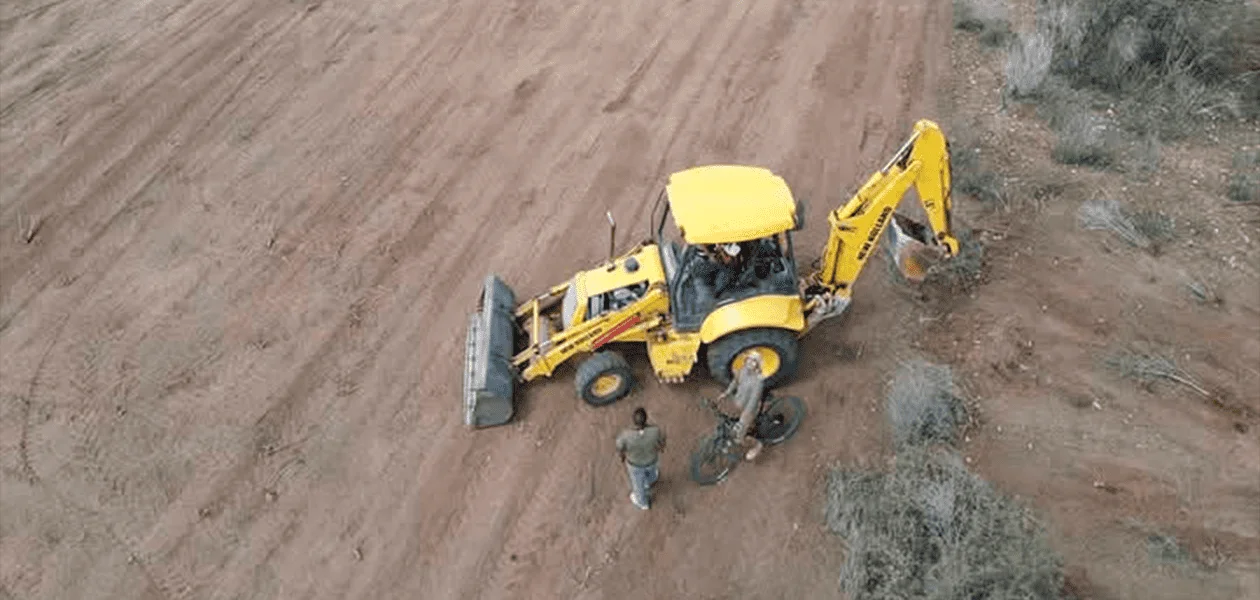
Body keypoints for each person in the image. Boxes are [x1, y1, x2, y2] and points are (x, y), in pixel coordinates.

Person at [717, 352, 765, 461]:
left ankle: (756, 445)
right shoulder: (743, 370)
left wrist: (743, 421)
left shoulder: (758, 382)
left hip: (749, 410)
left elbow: (752, 404)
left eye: (753, 362)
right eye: (749, 360)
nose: (750, 363)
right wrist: (727, 393)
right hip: (739, 402)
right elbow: (735, 381)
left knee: (739, 437)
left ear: (757, 365)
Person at [615, 407, 666, 510]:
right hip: (651, 460)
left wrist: (622, 457)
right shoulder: (655, 431)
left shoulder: (626, 435)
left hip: (635, 464)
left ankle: (642, 502)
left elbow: (620, 447)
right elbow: (662, 443)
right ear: (646, 419)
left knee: (638, 483)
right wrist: (661, 448)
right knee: (652, 471)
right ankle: (651, 480)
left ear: (633, 421)